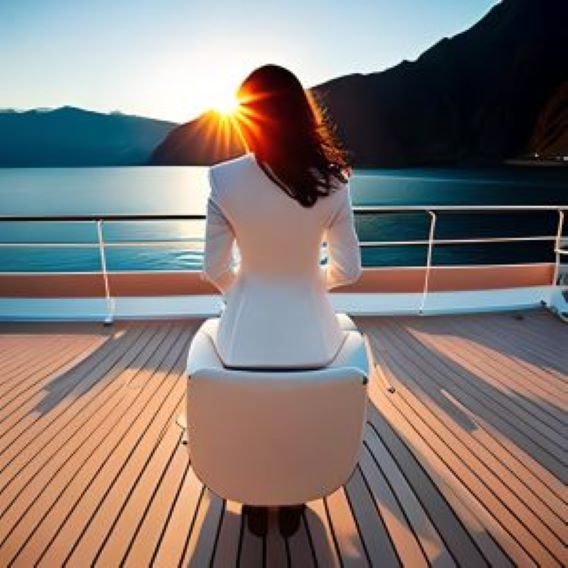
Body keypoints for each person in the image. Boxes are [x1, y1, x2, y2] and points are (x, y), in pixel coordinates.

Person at [200, 64, 362, 536]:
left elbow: (213, 270)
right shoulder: (335, 182)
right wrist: (309, 285)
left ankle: (252, 495)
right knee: (302, 406)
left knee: (244, 397)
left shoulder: (223, 180)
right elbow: (349, 272)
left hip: (243, 336)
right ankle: (292, 498)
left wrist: (245, 291)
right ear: (302, 114)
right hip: (313, 336)